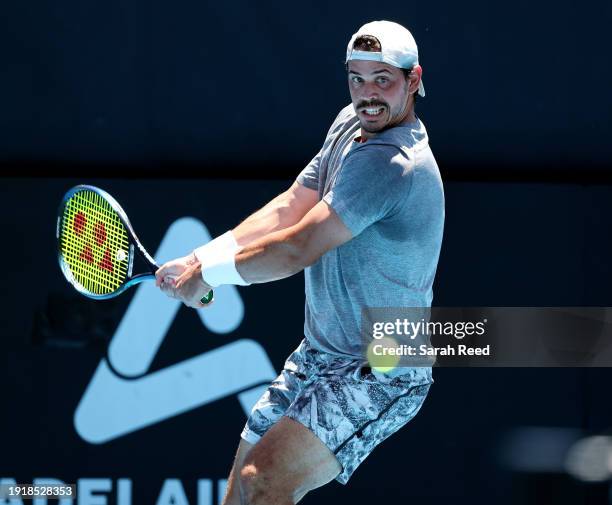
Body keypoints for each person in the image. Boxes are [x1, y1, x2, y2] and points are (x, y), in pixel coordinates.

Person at [156, 19, 444, 505]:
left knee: (265, 478)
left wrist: (211, 277)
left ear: (413, 80)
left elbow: (298, 246)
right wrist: (200, 257)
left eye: (383, 80)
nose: (367, 94)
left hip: (384, 362)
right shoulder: (349, 124)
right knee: (242, 491)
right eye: (357, 78)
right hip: (320, 351)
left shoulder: (393, 165)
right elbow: (291, 205)